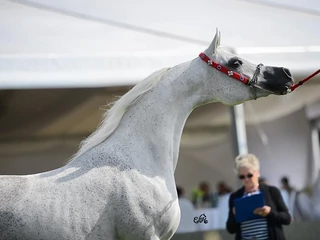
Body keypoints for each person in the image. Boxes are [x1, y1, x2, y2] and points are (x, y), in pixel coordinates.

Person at [226, 153, 291, 240]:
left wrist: (269, 213)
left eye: (249, 175)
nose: (246, 179)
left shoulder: (272, 191)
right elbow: (230, 229)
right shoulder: (235, 197)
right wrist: (236, 216)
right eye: (242, 176)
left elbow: (287, 218)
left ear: (258, 173)